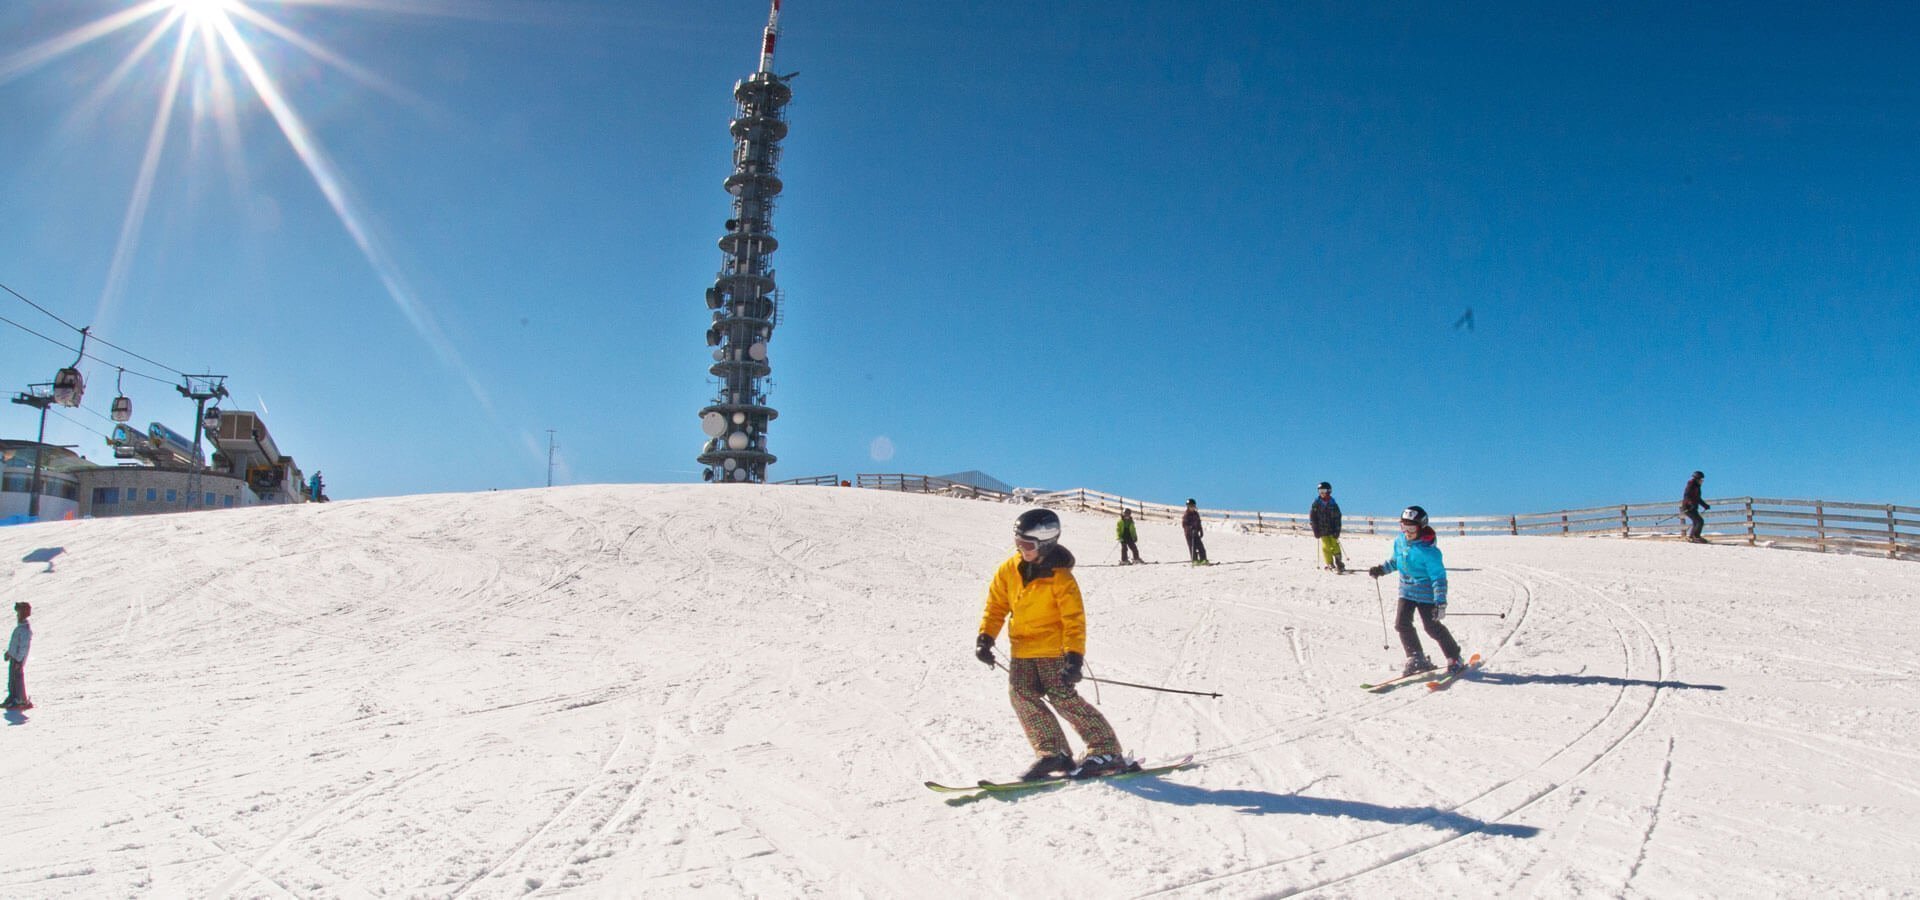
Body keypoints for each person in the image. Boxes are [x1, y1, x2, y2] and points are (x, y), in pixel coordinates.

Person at [975, 509, 1130, 779]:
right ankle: (1054, 753)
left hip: (1053, 650)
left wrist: (1074, 658)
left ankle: (1106, 749)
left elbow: (1074, 620)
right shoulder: (1008, 569)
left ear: (1045, 544)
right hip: (1022, 650)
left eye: (1028, 545)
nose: (1021, 549)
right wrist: (985, 638)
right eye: (1018, 542)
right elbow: (996, 606)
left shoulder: (1061, 579)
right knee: (1021, 696)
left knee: (1063, 698)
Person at [1368, 506, 1466, 677]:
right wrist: (1381, 569)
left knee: (1432, 627)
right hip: (1406, 592)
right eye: (1403, 527)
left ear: (1421, 527)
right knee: (1401, 624)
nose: (1407, 531)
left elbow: (1438, 578)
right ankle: (1416, 657)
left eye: (1411, 528)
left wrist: (1440, 601)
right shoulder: (1400, 542)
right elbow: (1395, 561)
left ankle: (1454, 657)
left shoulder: (1430, 552)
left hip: (1426, 595)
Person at [1310, 481, 1345, 572]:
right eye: (1320, 491)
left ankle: (1338, 561)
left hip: (1332, 529)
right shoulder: (1316, 503)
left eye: (1323, 490)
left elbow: (1338, 517)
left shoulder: (1333, 504)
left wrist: (1337, 530)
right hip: (1322, 530)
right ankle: (1329, 563)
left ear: (1329, 491)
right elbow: (1313, 517)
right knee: (1326, 546)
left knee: (1334, 544)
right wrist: (1315, 529)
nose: (1321, 493)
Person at [4, 601, 30, 710]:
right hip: (14, 658)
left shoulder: (24, 630)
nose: (17, 616)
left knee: (17, 678)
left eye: (18, 613)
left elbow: (23, 647)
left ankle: (21, 700)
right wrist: (9, 653)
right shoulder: (20, 628)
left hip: (17, 659)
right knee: (12, 678)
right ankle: (12, 697)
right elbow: (15, 644)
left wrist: (19, 661)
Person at [1680, 471, 1709, 543]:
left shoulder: (1697, 487)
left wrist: (1705, 505)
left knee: (1697, 521)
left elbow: (1698, 498)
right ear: (1697, 479)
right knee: (1699, 521)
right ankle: (1695, 537)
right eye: (1701, 480)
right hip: (1688, 507)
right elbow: (1687, 496)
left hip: (1693, 507)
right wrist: (1691, 504)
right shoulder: (1690, 485)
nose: (1702, 481)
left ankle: (1692, 537)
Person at [1181, 499, 1209, 564]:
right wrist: (1190, 528)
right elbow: (1184, 524)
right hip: (1189, 535)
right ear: (1188, 507)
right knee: (1192, 547)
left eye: (1193, 506)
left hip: (1196, 533)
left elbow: (1199, 522)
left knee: (1201, 547)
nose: (1192, 508)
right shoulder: (1186, 515)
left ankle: (1203, 559)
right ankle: (1195, 560)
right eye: (1190, 506)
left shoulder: (1196, 514)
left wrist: (1200, 530)